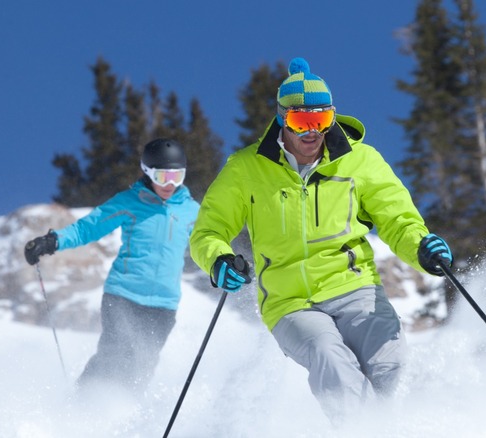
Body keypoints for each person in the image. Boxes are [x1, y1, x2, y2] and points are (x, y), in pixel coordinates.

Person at [189, 57, 454, 423]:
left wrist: (421, 247)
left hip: (354, 287)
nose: (313, 131)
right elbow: (208, 230)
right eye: (302, 121)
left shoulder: (360, 161)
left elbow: (397, 218)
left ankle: (397, 429)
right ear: (283, 118)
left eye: (322, 120)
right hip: (289, 301)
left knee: (390, 362)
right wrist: (218, 259)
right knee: (329, 357)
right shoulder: (245, 169)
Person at [24, 138, 200, 395]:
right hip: (124, 295)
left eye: (177, 176)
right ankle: (82, 403)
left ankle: (121, 419)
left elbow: (209, 241)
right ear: (148, 172)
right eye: (163, 177)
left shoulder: (192, 211)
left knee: (143, 366)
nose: (170, 184)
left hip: (164, 304)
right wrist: (53, 241)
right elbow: (90, 227)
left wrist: (227, 261)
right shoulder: (130, 201)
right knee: (114, 354)